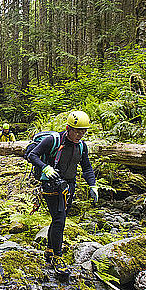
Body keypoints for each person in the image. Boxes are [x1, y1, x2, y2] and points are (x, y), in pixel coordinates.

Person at [27, 110, 99, 277]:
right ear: (68, 128)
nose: (80, 135)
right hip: (51, 183)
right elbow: (32, 155)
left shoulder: (81, 146)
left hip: (69, 185)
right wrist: (45, 167)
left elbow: (86, 167)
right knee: (60, 219)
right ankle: (58, 258)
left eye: (83, 131)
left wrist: (92, 185)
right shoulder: (53, 140)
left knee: (58, 218)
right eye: (77, 131)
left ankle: (50, 250)